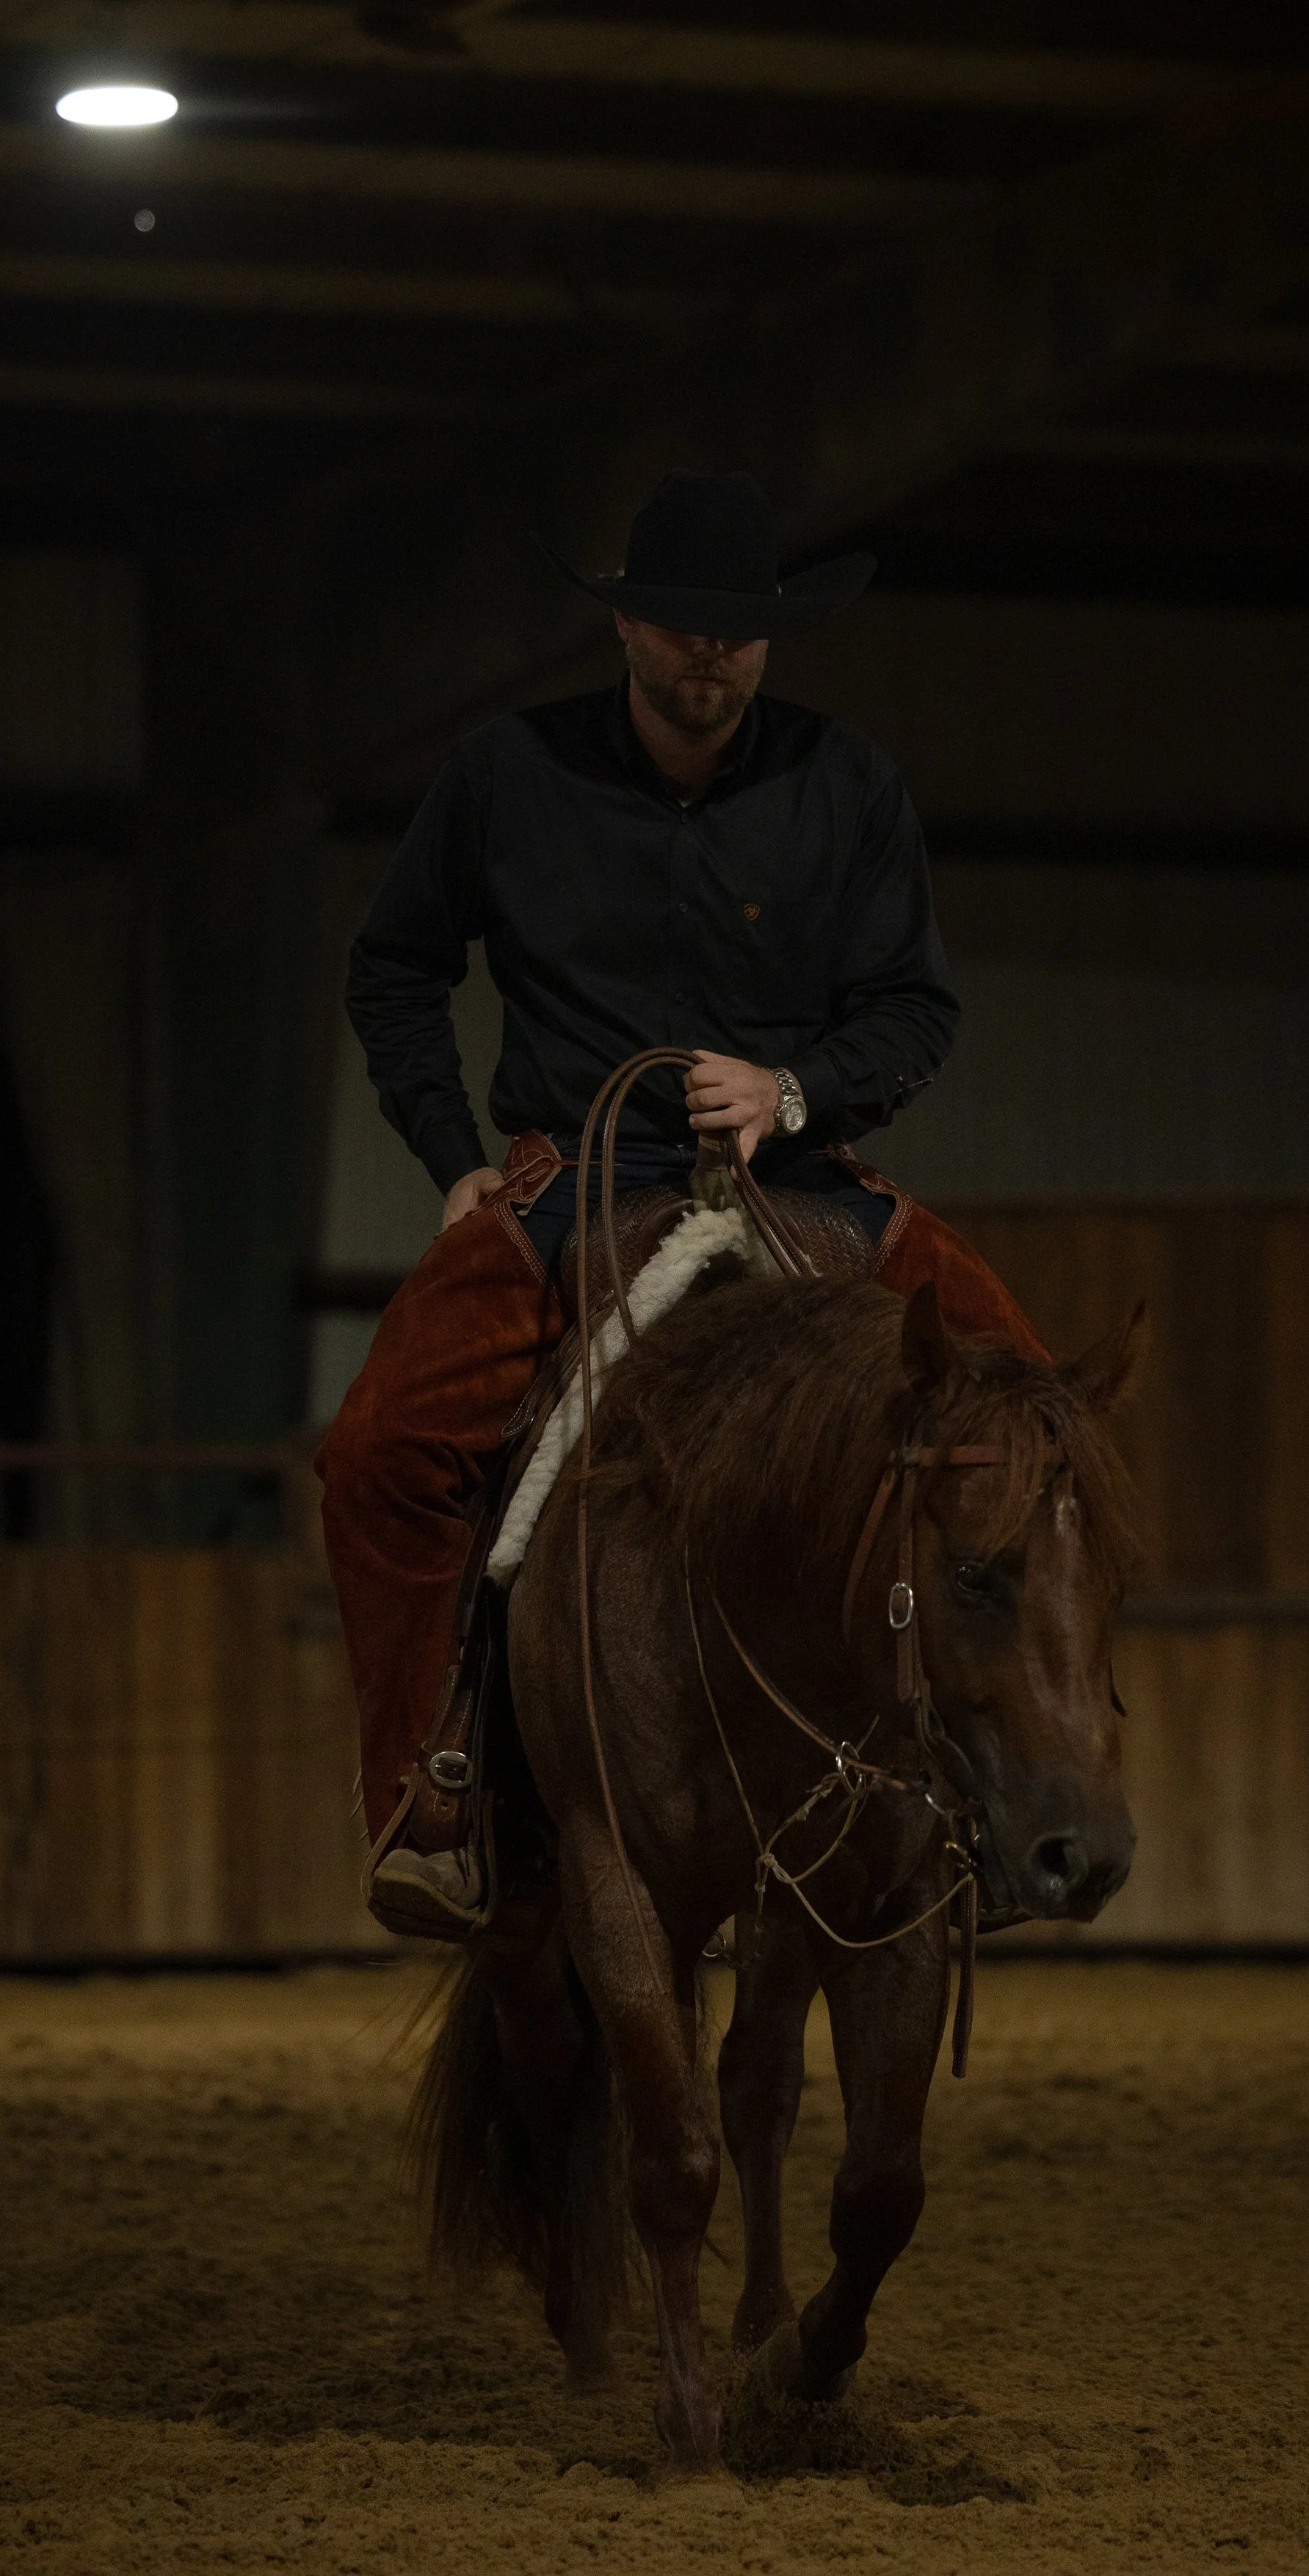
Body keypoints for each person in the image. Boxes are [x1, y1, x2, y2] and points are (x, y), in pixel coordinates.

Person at [317, 468, 1045, 1931]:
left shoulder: (845, 784)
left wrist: (794, 1090)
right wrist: (450, 1151)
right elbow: (394, 968)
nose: (708, 653)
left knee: (1033, 1412)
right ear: (629, 630)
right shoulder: (506, 776)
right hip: (569, 1181)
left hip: (794, 1177)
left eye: (737, 631)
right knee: (378, 1453)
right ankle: (430, 1789)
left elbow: (912, 1007)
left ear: (768, 642)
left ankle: (1025, 1779)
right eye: (680, 626)